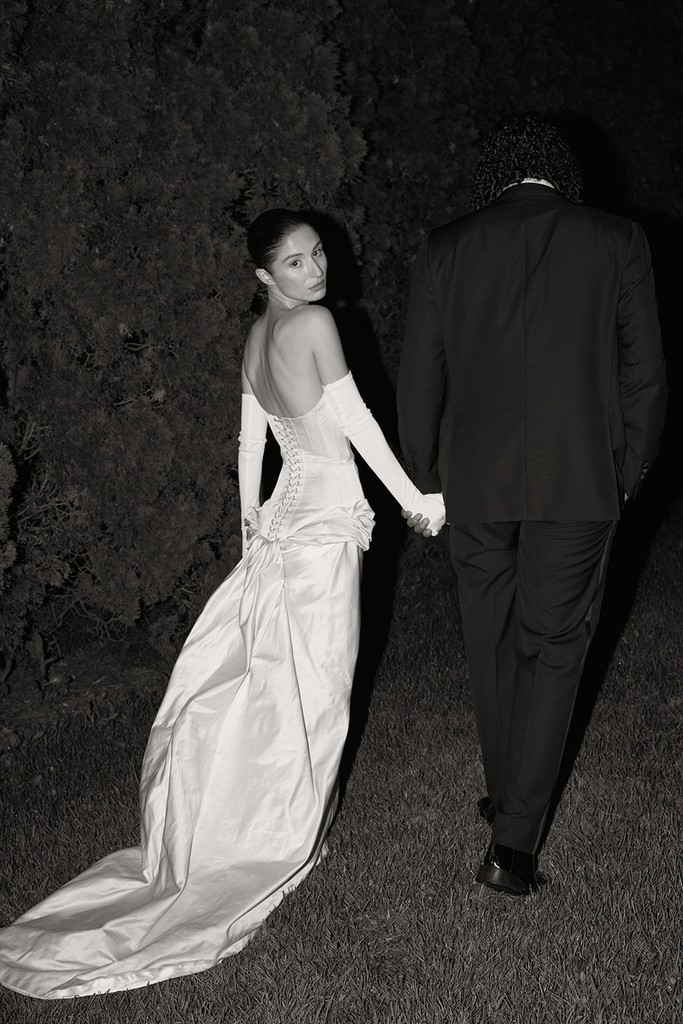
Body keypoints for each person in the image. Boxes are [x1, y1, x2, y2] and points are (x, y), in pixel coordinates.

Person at [0, 209, 445, 998]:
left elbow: (252, 448)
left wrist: (251, 535)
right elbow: (355, 426)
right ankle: (283, 836)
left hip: (283, 530)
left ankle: (275, 822)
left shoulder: (253, 339)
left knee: (279, 683)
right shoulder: (312, 325)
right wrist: (417, 500)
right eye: (298, 262)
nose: (316, 270)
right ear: (265, 276)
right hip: (316, 536)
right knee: (317, 691)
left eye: (319, 255)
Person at [397, 114, 667, 897]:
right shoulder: (614, 239)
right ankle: (512, 847)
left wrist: (427, 476)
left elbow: (419, 379)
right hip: (577, 479)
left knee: (490, 634)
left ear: (496, 178)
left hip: (473, 482)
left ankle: (505, 794)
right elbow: (644, 376)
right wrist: (625, 470)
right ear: (561, 175)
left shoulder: (446, 245)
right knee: (553, 643)